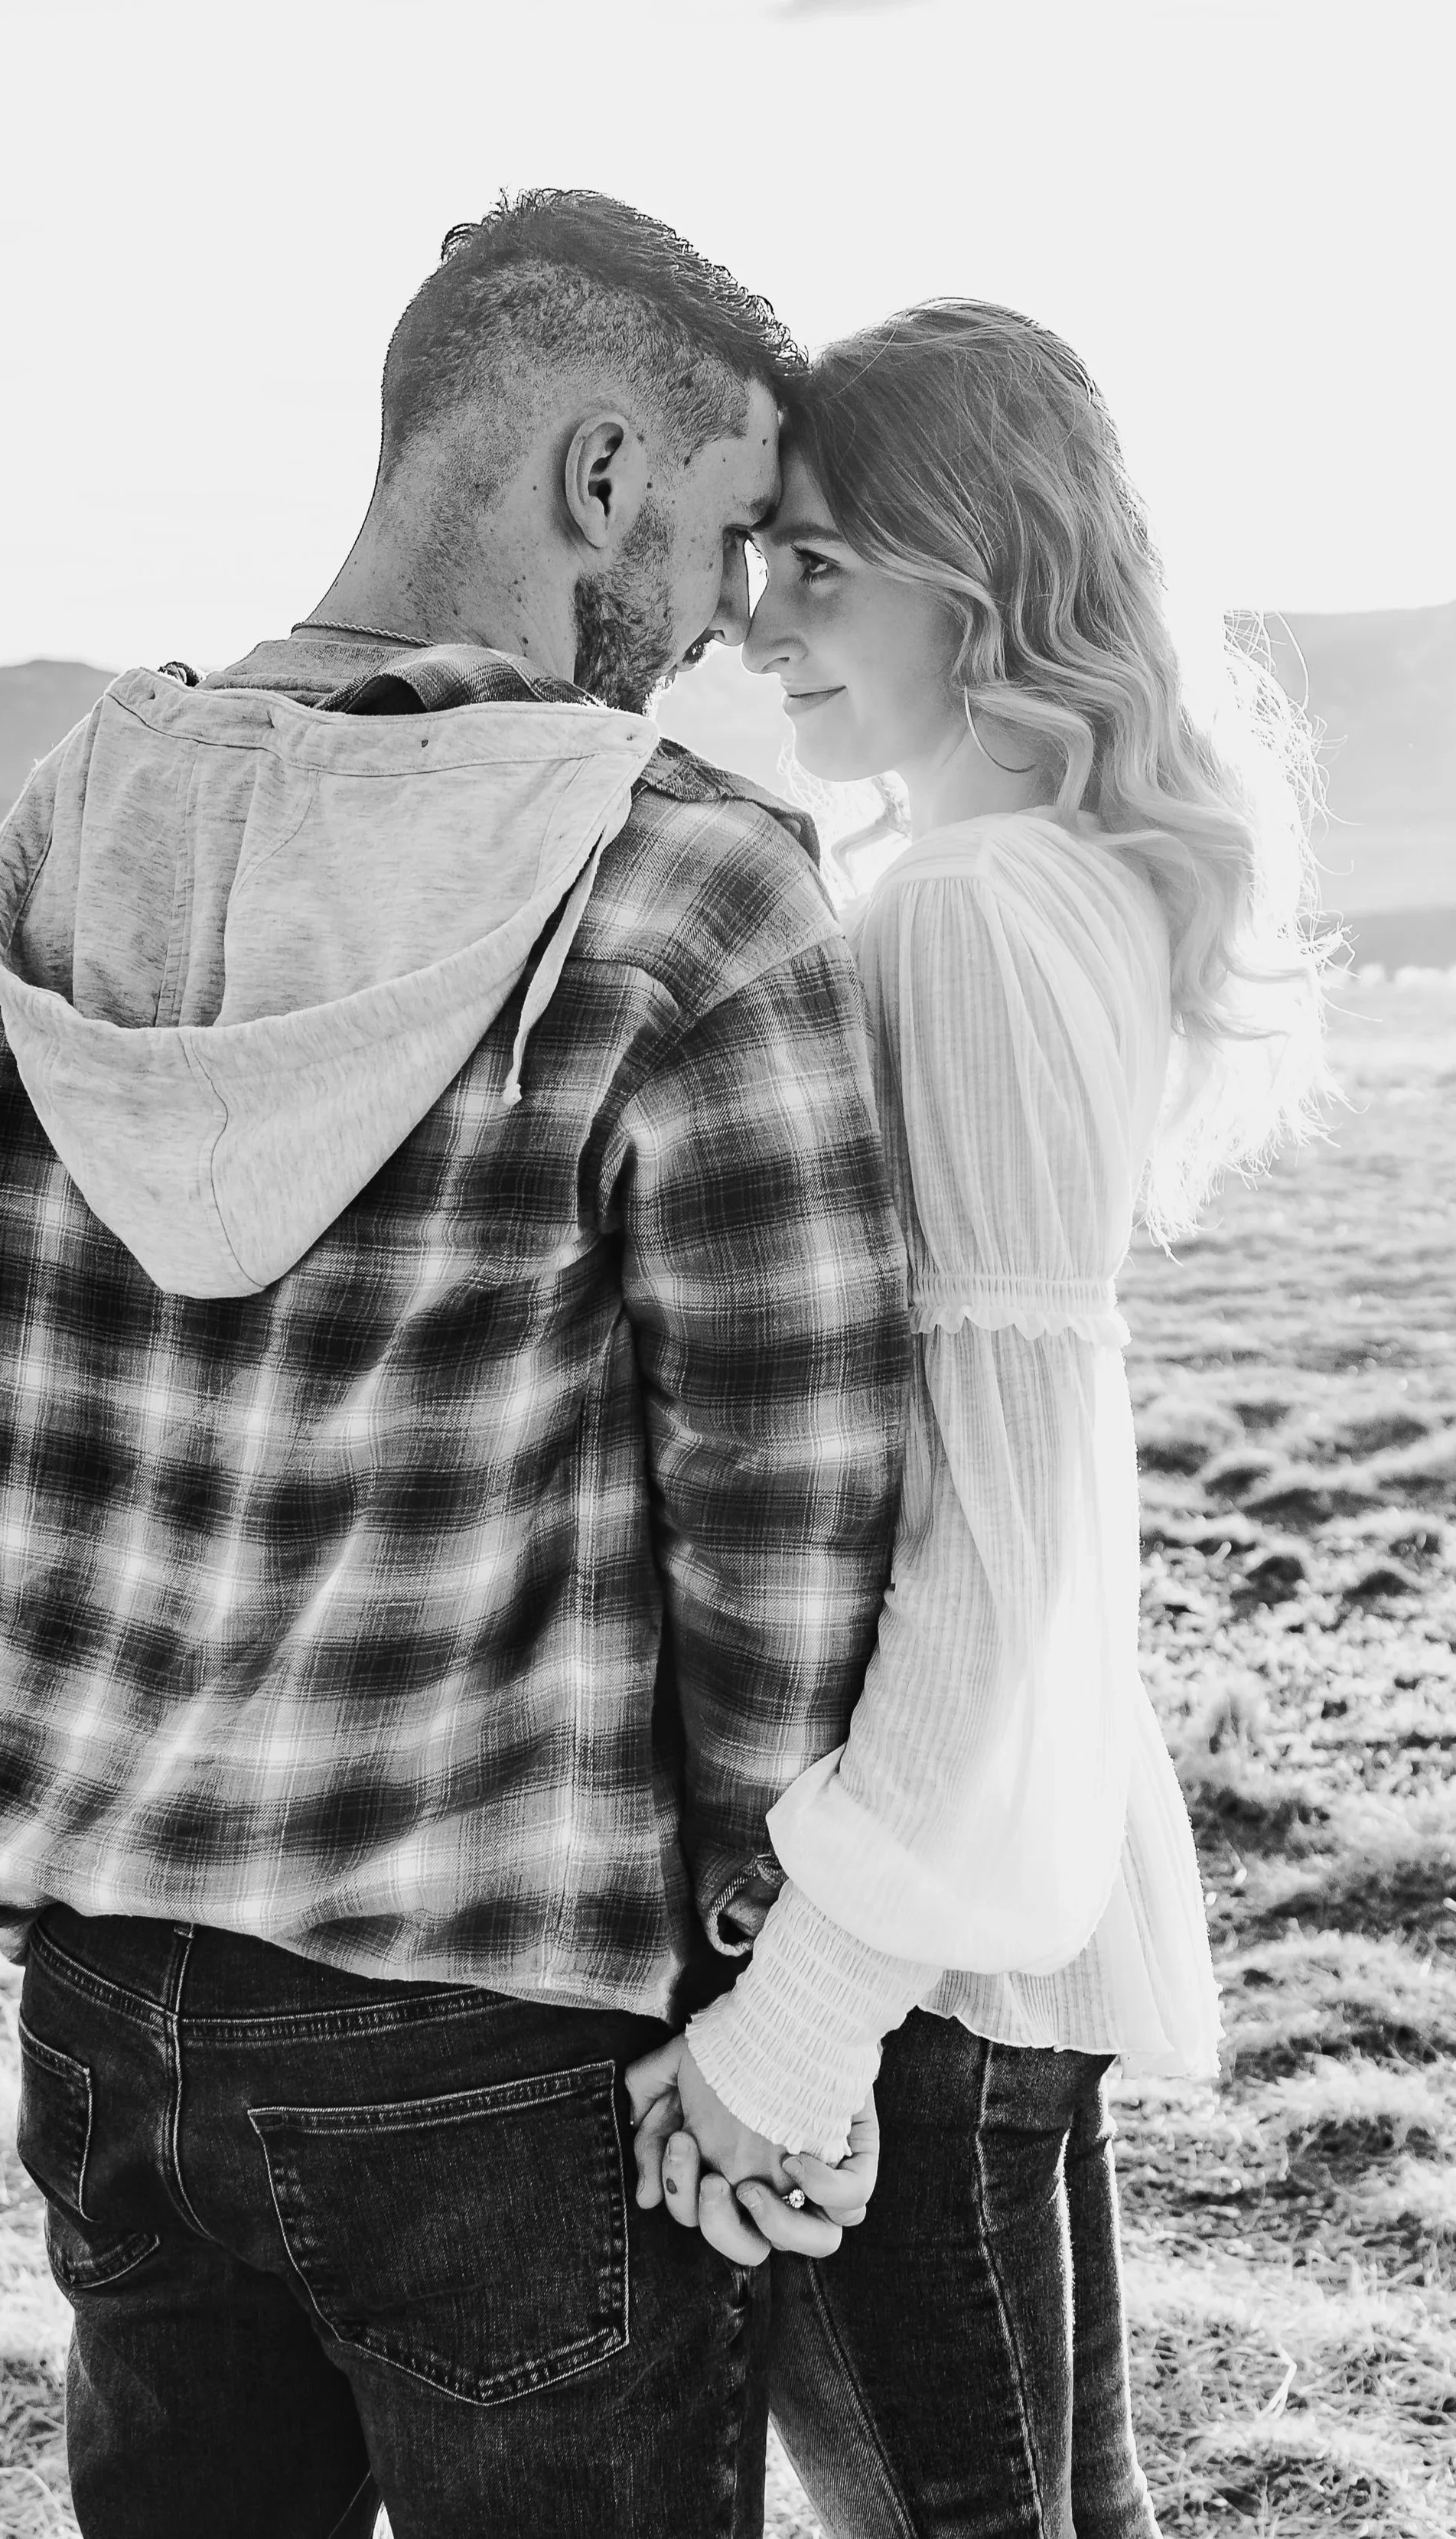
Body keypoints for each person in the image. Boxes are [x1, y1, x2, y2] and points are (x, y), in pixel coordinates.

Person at [0, 192, 907, 2539]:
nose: (729, 619)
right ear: (596, 476)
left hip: (106, 2003)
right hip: (495, 2044)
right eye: (730, 527)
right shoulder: (684, 887)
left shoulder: (48, 850)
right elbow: (790, 1534)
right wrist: (764, 2012)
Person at [630, 300, 1325, 2535]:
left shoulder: (963, 912)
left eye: (821, 562)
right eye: (765, 556)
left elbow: (1001, 1521)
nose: (762, 614)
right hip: (985, 1903)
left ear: (986, 574)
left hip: (915, 1952)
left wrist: (802, 2007)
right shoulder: (1038, 888)